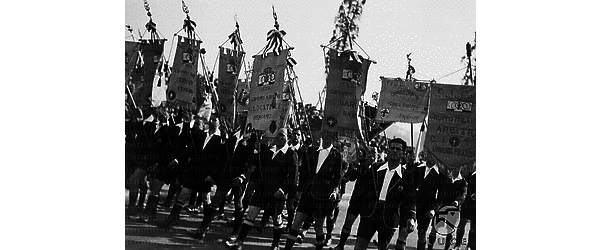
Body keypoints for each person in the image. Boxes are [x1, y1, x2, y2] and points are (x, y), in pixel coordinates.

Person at [225, 128, 299, 250]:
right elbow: (255, 162)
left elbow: (293, 177)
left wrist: (282, 190)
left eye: (282, 135)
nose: (279, 138)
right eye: (277, 135)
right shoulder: (268, 151)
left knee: (277, 219)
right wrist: (256, 149)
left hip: (277, 193)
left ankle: (275, 244)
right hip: (262, 189)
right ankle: (239, 242)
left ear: (287, 138)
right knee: (251, 214)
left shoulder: (291, 154)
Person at [155, 113, 227, 237]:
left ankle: (203, 229)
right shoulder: (201, 134)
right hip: (193, 171)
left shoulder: (221, 139)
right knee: (183, 193)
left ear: (220, 122)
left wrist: (213, 175)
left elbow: (220, 160)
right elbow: (191, 149)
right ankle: (170, 221)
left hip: (206, 175)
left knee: (206, 199)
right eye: (211, 119)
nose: (212, 121)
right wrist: (178, 160)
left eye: (215, 120)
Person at [185, 122, 256, 241]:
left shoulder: (252, 139)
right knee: (216, 200)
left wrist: (243, 177)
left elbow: (251, 162)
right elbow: (222, 156)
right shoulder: (233, 135)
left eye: (245, 118)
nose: (243, 121)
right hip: (227, 175)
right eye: (241, 118)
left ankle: (236, 233)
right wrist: (215, 174)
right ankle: (202, 230)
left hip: (239, 177)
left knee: (238, 203)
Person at [350, 138, 417, 250]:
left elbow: (410, 199)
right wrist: (364, 164)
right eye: (392, 148)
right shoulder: (375, 168)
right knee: (359, 246)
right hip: (369, 214)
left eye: (398, 149)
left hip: (389, 218)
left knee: (382, 247)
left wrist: (411, 217)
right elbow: (354, 177)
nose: (395, 151)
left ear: (403, 153)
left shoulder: (407, 176)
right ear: (388, 150)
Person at [281, 137, 343, 250]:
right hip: (307, 192)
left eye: (329, 134)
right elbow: (304, 172)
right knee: (297, 222)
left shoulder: (336, 155)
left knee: (318, 226)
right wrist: (300, 190)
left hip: (323, 196)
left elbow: (337, 177)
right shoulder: (312, 151)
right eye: (325, 134)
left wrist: (334, 190)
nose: (326, 137)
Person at [331, 145, 374, 250]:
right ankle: (340, 245)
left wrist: (369, 165)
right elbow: (352, 176)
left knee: (363, 227)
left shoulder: (378, 168)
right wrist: (357, 166)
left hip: (369, 202)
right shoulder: (360, 165)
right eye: (369, 154)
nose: (371, 156)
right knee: (348, 222)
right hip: (357, 199)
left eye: (373, 154)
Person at [428, 165, 467, 250]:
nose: (456, 168)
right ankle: (429, 247)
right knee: (434, 228)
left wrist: (457, 202)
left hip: (453, 209)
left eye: (458, 167)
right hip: (442, 206)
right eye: (455, 166)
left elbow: (463, 194)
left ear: (461, 168)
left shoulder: (462, 181)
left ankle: (446, 248)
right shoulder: (446, 178)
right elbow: (441, 191)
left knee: (450, 231)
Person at [451, 162, 476, 250]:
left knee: (473, 227)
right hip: (467, 203)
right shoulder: (468, 176)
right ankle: (457, 244)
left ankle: (469, 245)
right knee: (462, 223)